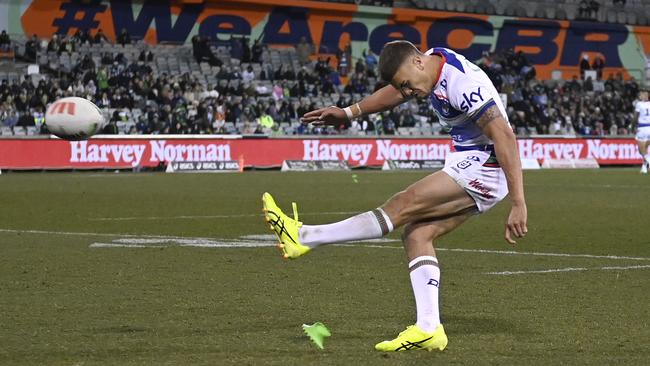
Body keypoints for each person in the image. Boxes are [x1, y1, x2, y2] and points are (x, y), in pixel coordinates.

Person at [262, 40, 527, 352]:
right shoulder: (427, 66)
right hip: (468, 158)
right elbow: (394, 94)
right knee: (417, 235)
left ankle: (306, 236)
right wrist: (349, 112)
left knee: (402, 204)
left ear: (417, 62)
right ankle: (429, 328)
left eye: (406, 84)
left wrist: (519, 202)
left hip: (488, 163)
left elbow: (505, 137)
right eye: (402, 87)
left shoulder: (463, 85)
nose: (407, 92)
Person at [634, 89, 650, 173]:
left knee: (641, 149)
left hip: (643, 128)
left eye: (641, 95)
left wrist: (632, 126)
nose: (640, 96)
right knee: (645, 147)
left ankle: (648, 159)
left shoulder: (639, 104)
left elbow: (635, 117)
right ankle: (644, 167)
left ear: (645, 96)